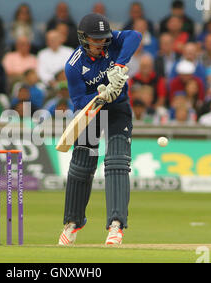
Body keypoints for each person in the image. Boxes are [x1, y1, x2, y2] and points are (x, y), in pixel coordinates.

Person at [59, 13, 142, 246]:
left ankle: (116, 226)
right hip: (90, 111)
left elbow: (135, 35)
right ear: (84, 39)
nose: (102, 43)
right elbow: (77, 102)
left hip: (118, 110)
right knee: (81, 167)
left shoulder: (112, 42)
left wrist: (119, 65)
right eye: (96, 40)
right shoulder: (73, 66)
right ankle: (72, 224)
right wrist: (100, 95)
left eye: (104, 39)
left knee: (117, 162)